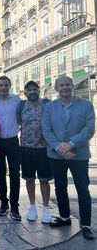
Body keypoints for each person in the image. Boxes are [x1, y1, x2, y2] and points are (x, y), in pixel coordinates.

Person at [42, 76, 95, 240]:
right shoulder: (49, 107)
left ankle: (86, 225)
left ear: (72, 86)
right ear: (57, 88)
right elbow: (46, 129)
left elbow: (89, 128)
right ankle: (64, 218)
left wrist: (71, 144)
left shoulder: (86, 104)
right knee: (60, 186)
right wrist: (60, 147)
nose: (64, 87)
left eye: (67, 84)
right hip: (56, 155)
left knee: (82, 189)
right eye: (61, 85)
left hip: (79, 154)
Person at [0, 76, 22, 220]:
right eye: (1, 85)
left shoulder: (17, 100)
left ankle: (14, 206)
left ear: (10, 86)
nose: (3, 88)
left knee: (15, 175)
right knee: (0, 174)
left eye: (6, 85)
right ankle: (4, 203)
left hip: (13, 141)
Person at [17, 81, 52, 223]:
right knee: (29, 178)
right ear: (25, 92)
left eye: (34, 89)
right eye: (29, 90)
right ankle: (32, 206)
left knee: (44, 180)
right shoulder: (21, 106)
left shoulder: (47, 104)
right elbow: (19, 122)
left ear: (39, 90)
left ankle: (46, 208)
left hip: (44, 148)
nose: (32, 92)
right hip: (26, 148)